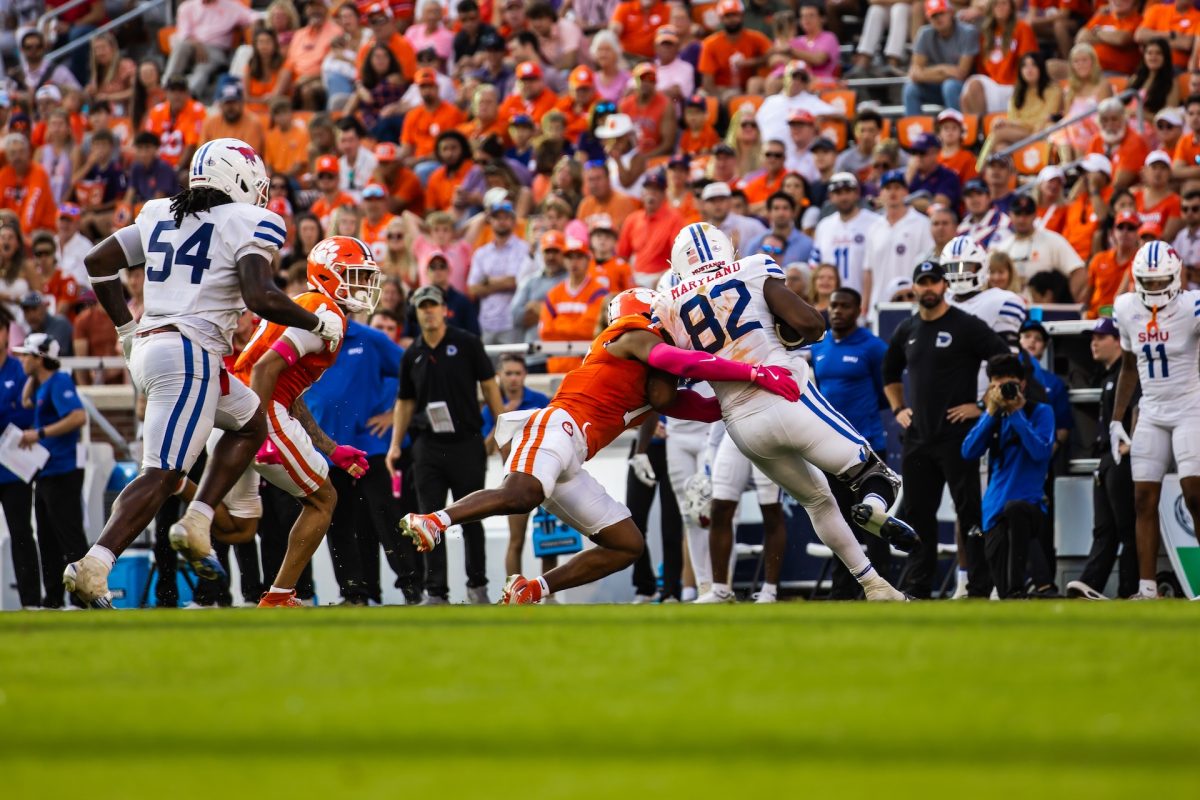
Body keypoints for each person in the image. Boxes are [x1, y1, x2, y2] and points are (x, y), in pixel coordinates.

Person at [64, 138, 342, 608]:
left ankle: (197, 519)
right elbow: (260, 295)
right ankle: (94, 564)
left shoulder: (160, 213)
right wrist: (317, 321)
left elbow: (98, 263)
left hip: (165, 347)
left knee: (252, 421)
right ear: (240, 179)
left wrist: (129, 330)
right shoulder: (246, 219)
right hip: (190, 352)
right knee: (162, 475)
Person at [395, 285, 802, 604]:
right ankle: (433, 520)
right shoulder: (629, 334)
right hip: (557, 426)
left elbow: (684, 404)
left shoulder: (648, 371)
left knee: (626, 544)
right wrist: (753, 372)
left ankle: (532, 589)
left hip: (575, 454)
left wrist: (747, 400)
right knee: (522, 494)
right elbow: (677, 363)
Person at [654, 223, 915, 603]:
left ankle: (875, 585)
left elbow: (666, 390)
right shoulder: (752, 267)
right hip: (786, 395)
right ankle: (872, 510)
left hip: (740, 425)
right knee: (880, 478)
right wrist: (782, 332)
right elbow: (813, 325)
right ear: (725, 247)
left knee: (816, 502)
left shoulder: (668, 304)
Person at [217, 236, 380, 607]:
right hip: (259, 406)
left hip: (239, 404)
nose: (364, 286)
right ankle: (280, 596)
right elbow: (265, 369)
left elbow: (290, 390)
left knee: (241, 529)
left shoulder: (309, 306)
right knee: (324, 499)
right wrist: (260, 432)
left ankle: (180, 491)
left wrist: (330, 448)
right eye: (355, 276)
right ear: (328, 275)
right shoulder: (325, 313)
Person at [883, 260, 1010, 599]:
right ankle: (917, 586)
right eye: (922, 282)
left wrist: (983, 405)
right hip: (918, 437)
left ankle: (980, 585)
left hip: (958, 436)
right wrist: (899, 408)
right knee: (918, 514)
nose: (928, 288)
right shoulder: (906, 329)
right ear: (915, 288)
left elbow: (1004, 359)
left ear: (944, 286)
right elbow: (889, 373)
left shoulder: (966, 325)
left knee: (969, 511)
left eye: (934, 282)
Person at [386, 285, 503, 604]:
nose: (428, 311)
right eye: (423, 306)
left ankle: (477, 585)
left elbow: (490, 387)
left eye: (433, 305)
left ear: (444, 309)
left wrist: (502, 426)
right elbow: (405, 402)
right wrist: (396, 444)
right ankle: (436, 590)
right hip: (428, 445)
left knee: (472, 517)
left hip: (466, 442)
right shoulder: (413, 353)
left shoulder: (467, 344)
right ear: (416, 312)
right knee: (428, 518)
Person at [1110, 241, 1200, 600]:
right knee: (1143, 500)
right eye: (1147, 282)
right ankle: (1147, 589)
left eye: (1161, 280)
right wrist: (1117, 418)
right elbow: (1129, 366)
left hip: (1190, 406)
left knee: (1195, 494)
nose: (1154, 289)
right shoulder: (1126, 308)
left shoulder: (1192, 306)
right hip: (1152, 409)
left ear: (1175, 277)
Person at [810, 287, 895, 599]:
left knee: (873, 520)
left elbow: (885, 394)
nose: (837, 311)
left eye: (845, 306)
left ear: (858, 310)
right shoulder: (819, 347)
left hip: (867, 446)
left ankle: (882, 585)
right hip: (830, 449)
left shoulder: (873, 348)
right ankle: (842, 591)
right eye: (833, 305)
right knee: (838, 521)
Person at [961, 353, 1056, 598]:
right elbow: (968, 452)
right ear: (991, 385)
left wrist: (1016, 413)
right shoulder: (993, 417)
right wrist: (990, 413)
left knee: (1016, 510)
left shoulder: (1041, 412)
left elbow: (1040, 452)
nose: (1003, 387)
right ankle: (1024, 592)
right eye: (997, 382)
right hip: (994, 513)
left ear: (1022, 384)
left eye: (1009, 382)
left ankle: (1040, 587)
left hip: (1031, 507)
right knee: (1006, 594)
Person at [1066, 317, 1138, 600]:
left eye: (1101, 337)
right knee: (1105, 528)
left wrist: (1130, 444)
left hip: (1122, 459)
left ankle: (1131, 589)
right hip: (1107, 458)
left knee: (1127, 528)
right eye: (1092, 338)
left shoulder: (1128, 372)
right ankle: (1090, 584)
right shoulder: (1109, 375)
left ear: (1119, 341)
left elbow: (1138, 406)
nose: (1094, 343)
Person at [15, 333, 88, 608]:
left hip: (63, 470)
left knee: (68, 535)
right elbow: (27, 402)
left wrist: (40, 433)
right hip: (47, 471)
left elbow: (78, 416)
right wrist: (33, 379)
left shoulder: (58, 381)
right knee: (47, 538)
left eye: (26, 355)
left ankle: (81, 596)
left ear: (39, 358)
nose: (21, 360)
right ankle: (54, 598)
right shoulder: (44, 383)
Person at [481, 354, 555, 582]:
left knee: (549, 540)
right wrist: (502, 417)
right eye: (508, 374)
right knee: (516, 539)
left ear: (525, 375)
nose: (513, 379)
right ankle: (514, 590)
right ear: (499, 377)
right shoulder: (490, 409)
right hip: (514, 479)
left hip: (545, 476)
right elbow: (486, 449)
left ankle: (548, 594)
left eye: (517, 373)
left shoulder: (541, 400)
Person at [0, 307, 37, 607]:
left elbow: (26, 413)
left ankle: (32, 602)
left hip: (14, 467)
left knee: (21, 533)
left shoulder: (18, 370)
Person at [863, 170, 935, 316]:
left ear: (906, 191)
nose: (892, 192)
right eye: (887, 188)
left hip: (912, 305)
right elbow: (868, 271)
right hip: (879, 305)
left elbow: (929, 266)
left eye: (897, 187)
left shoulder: (922, 223)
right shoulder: (874, 227)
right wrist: (865, 306)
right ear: (880, 193)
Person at [992, 194, 1087, 293]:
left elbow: (1078, 271)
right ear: (1010, 215)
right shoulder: (1003, 247)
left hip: (1044, 307)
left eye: (1027, 214)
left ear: (1035, 215)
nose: (1022, 219)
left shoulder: (1053, 240)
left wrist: (1069, 302)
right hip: (1013, 305)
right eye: (1018, 214)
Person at [539, 237, 609, 373]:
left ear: (588, 260)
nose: (574, 262)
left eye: (579, 257)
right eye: (569, 258)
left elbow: (590, 330)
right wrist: (575, 327)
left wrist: (559, 324)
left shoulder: (599, 292)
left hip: (586, 366)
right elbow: (545, 333)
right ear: (564, 261)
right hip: (556, 367)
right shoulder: (554, 293)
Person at [163, 0, 257, 99]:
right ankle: (166, 86)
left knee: (202, 69)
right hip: (190, 44)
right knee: (181, 46)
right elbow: (183, 33)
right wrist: (196, 44)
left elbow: (253, 16)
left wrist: (257, 23)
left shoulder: (231, 6)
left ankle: (188, 95)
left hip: (215, 49)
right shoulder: (187, 7)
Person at [468, 201, 530, 345]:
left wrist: (487, 282)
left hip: (512, 322)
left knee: (513, 365)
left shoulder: (523, 249)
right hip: (486, 322)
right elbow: (472, 288)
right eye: (497, 218)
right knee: (488, 367)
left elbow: (517, 282)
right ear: (491, 221)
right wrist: (505, 282)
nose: (501, 222)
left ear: (513, 220)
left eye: (506, 217)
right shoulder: (481, 253)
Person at [811, 172, 880, 296]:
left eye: (848, 191)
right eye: (838, 193)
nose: (843, 197)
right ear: (830, 196)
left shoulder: (875, 223)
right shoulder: (824, 226)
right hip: (831, 300)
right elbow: (816, 265)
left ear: (857, 193)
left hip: (865, 298)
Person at [904, 0, 978, 116]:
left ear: (951, 12)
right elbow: (914, 73)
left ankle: (957, 127)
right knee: (911, 89)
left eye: (941, 13)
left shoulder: (967, 32)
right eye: (934, 15)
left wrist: (926, 73)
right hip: (938, 86)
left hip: (964, 87)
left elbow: (961, 73)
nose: (938, 18)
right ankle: (913, 130)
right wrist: (944, 69)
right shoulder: (924, 33)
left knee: (950, 86)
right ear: (928, 19)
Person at [616, 170, 683, 287]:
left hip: (662, 277)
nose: (651, 194)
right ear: (642, 193)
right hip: (635, 276)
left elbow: (679, 256)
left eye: (656, 190)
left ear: (664, 195)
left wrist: (665, 277)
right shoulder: (632, 219)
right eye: (648, 189)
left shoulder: (674, 219)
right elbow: (622, 255)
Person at [699, 0, 772, 99]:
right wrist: (719, 99)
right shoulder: (710, 44)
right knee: (701, 96)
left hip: (748, 87)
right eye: (727, 16)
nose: (732, 20)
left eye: (735, 15)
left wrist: (750, 62)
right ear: (721, 18)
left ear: (742, 16)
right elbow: (707, 80)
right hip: (721, 88)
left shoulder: (756, 38)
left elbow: (771, 54)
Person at [1087, 97, 1149, 196]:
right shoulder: (1096, 140)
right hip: (1099, 193)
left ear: (1124, 119)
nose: (1109, 125)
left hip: (1124, 197)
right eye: (1104, 120)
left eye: (1114, 119)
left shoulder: (1135, 141)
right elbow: (1087, 175)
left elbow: (1118, 184)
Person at [1086, 209, 1140, 318]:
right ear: (1112, 232)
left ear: (1138, 233)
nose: (1125, 232)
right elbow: (1087, 295)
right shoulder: (1098, 259)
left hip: (1125, 320)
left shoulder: (1141, 261)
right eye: (1120, 227)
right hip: (1095, 320)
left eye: (1131, 228)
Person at [0, 133, 57, 236]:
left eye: (21, 152)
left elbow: (32, 211)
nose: (17, 157)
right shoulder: (4, 174)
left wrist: (19, 236)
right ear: (7, 156)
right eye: (13, 153)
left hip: (41, 230)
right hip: (14, 233)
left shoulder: (39, 173)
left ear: (29, 153)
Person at [744, 192, 813, 267]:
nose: (781, 213)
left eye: (785, 208)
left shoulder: (807, 244)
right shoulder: (756, 243)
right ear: (769, 212)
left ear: (793, 212)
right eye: (776, 208)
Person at [1077, 0, 1142, 77]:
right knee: (1058, 68)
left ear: (1135, 3)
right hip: (1087, 68)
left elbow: (1121, 39)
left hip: (1115, 73)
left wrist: (1097, 32)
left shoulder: (1137, 19)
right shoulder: (1102, 16)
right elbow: (1080, 38)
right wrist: (1109, 39)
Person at [906, 133, 962, 211]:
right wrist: (908, 179)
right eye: (914, 152)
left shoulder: (948, 176)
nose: (917, 157)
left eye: (922, 153)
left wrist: (903, 201)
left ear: (936, 153)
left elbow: (939, 206)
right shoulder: (908, 174)